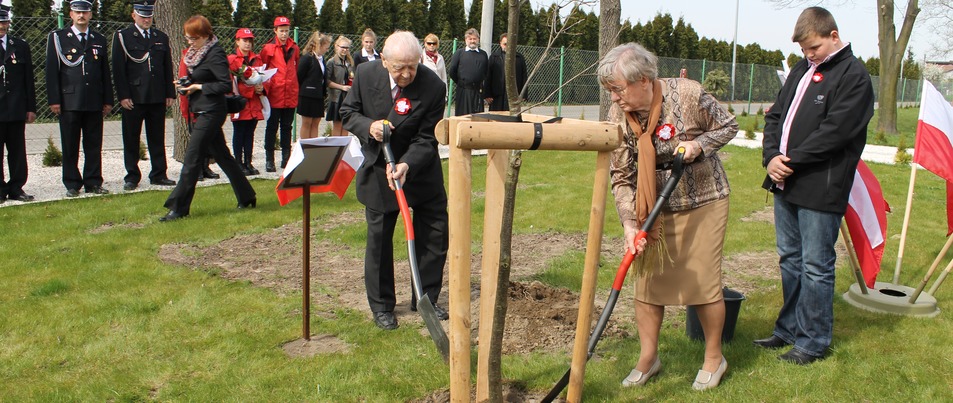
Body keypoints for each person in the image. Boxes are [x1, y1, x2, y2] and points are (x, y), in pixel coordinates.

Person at [599, 42, 736, 390]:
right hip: (652, 209)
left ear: (643, 79)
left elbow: (728, 125)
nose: (614, 98)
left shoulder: (687, 93)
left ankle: (713, 357)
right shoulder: (618, 117)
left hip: (703, 199)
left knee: (703, 282)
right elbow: (622, 175)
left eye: (617, 89)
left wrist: (698, 145)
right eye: (609, 91)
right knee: (647, 284)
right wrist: (630, 224)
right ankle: (649, 357)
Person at [756, 6, 874, 365]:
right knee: (790, 259)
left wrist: (789, 162)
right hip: (785, 180)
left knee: (816, 264)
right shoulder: (800, 70)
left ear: (833, 36)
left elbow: (835, 133)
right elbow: (777, 115)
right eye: (805, 50)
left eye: (814, 48)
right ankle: (788, 329)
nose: (809, 55)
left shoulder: (854, 76)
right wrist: (771, 155)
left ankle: (813, 341)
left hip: (821, 185)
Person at [341, 30, 449, 331]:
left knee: (436, 233)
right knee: (379, 240)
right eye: (399, 67)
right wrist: (369, 126)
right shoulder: (365, 74)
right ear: (385, 61)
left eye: (412, 66)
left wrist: (406, 164)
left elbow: (428, 137)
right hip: (379, 170)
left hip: (418, 168)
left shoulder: (432, 86)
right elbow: (348, 112)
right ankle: (382, 306)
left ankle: (425, 296)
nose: (406, 74)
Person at [161, 15, 256, 222]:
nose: (189, 42)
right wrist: (187, 84)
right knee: (223, 157)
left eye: (193, 38)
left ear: (205, 36)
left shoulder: (215, 53)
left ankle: (179, 208)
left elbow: (224, 84)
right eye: (187, 38)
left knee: (192, 158)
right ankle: (247, 196)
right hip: (202, 110)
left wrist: (198, 87)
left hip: (212, 112)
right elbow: (203, 76)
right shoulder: (198, 53)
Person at [46, 0, 113, 197]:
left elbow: (104, 72)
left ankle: (93, 181)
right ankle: (72, 183)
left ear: (91, 14)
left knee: (93, 144)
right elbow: (52, 71)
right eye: (77, 12)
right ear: (71, 14)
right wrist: (54, 100)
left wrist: (108, 99)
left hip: (93, 100)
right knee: (70, 144)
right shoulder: (58, 38)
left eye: (85, 12)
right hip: (69, 101)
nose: (81, 16)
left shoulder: (98, 39)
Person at [111, 0, 176, 191]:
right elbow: (118, 69)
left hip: (156, 95)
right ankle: (132, 176)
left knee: (157, 137)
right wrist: (123, 95)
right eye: (142, 15)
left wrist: (169, 92)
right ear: (134, 16)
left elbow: (167, 66)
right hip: (134, 96)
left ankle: (159, 174)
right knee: (131, 137)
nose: (146, 19)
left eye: (149, 15)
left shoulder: (160, 37)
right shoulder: (123, 37)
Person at [0, 3, 37, 203]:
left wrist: (31, 107)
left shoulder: (20, 46)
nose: (1, 26)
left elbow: (28, 80)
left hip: (15, 108)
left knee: (17, 152)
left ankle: (17, 187)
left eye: (4, 22)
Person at [259, 15, 299, 171]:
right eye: (281, 31)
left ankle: (286, 158)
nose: (284, 34)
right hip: (274, 94)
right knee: (272, 127)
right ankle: (269, 160)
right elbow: (263, 71)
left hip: (290, 93)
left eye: (286, 31)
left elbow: (295, 69)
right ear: (275, 31)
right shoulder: (268, 49)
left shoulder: (294, 48)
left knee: (286, 127)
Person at [227, 27, 265, 176]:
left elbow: (263, 76)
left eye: (250, 40)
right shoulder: (232, 60)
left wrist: (262, 87)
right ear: (237, 41)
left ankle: (248, 162)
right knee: (239, 132)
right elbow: (232, 83)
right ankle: (238, 163)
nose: (248, 43)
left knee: (250, 133)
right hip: (239, 102)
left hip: (254, 103)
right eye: (245, 40)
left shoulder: (257, 58)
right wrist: (251, 90)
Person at [297, 32, 330, 139]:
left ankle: (313, 147)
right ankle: (305, 147)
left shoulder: (322, 59)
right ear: (318, 45)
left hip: (318, 95)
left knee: (316, 122)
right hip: (307, 95)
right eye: (326, 47)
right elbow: (299, 76)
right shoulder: (307, 58)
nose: (327, 50)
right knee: (307, 122)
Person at [447, 28, 487, 116]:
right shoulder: (459, 53)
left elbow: (485, 72)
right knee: (463, 116)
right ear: (466, 40)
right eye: (470, 39)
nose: (472, 41)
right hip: (463, 91)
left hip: (478, 92)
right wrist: (462, 82)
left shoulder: (483, 54)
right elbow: (452, 71)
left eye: (474, 39)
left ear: (478, 39)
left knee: (478, 117)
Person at [484, 33, 527, 111]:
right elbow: (488, 76)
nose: (507, 46)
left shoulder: (519, 58)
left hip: (514, 97)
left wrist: (523, 94)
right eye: (505, 44)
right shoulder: (494, 57)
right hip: (496, 96)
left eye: (510, 44)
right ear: (500, 43)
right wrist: (487, 94)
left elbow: (524, 77)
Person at [324, 36, 353, 137]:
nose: (345, 50)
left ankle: (344, 149)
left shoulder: (349, 63)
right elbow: (327, 81)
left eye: (347, 48)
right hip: (336, 98)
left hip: (347, 97)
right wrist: (341, 87)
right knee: (337, 125)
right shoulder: (331, 62)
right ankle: (336, 149)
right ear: (336, 47)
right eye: (343, 47)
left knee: (345, 124)